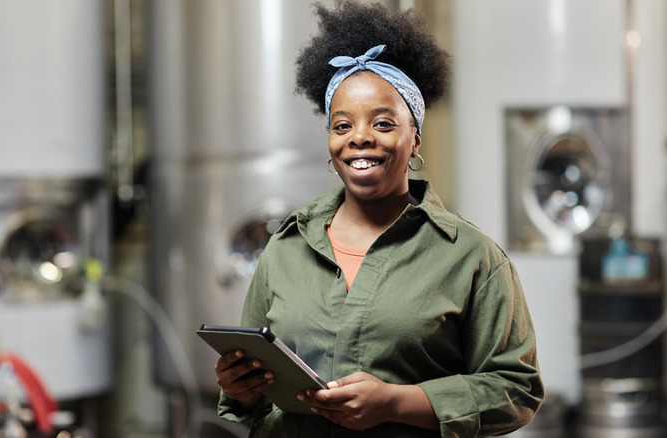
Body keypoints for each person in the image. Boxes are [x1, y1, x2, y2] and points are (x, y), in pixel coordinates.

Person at [214, 1, 544, 436]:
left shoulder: (471, 256)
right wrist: (241, 388)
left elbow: (517, 390)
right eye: (342, 125)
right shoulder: (287, 245)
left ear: (415, 139)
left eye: (384, 123)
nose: (360, 138)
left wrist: (396, 403)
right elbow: (253, 398)